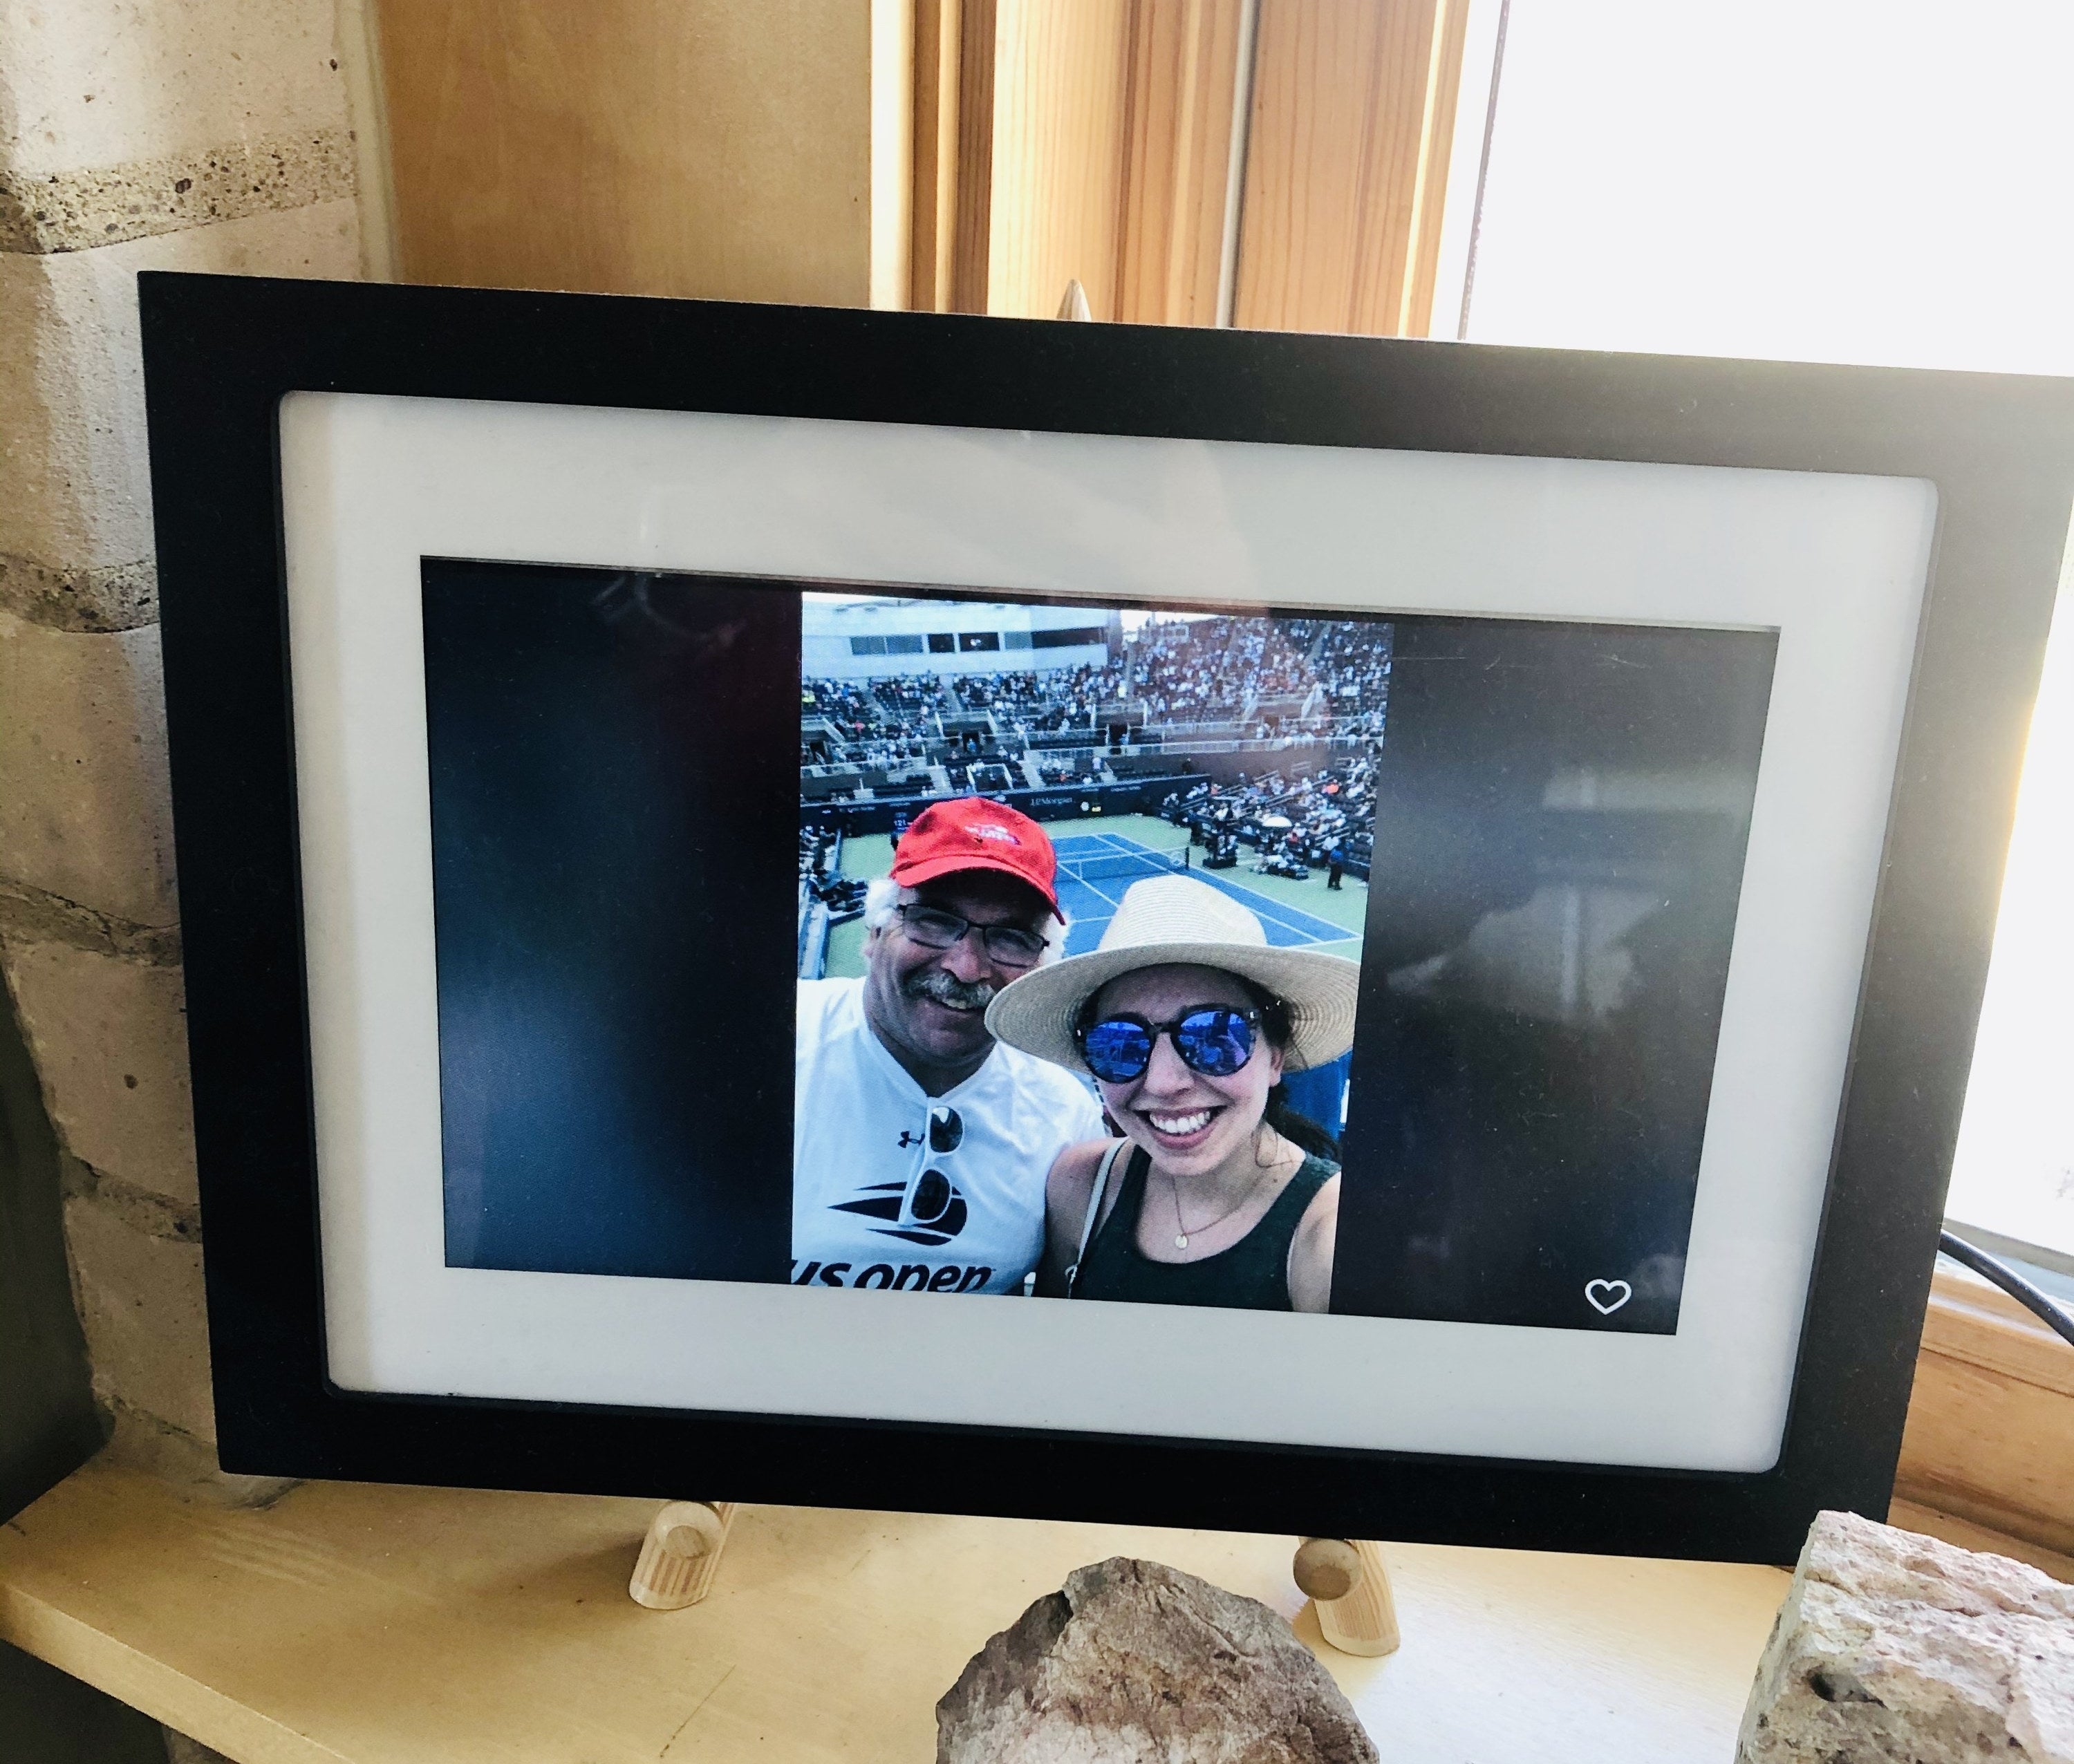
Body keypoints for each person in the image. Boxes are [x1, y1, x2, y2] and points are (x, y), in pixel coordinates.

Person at [984, 875, 1361, 1313]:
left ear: (1275, 1058)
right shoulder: (1081, 1187)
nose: (1164, 1083)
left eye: (1216, 1038)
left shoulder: (1331, 1239)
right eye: (1120, 1045)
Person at [793, 798, 1103, 1295]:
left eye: (1010, 939)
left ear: (1039, 967)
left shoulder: (1066, 1118)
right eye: (934, 921)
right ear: (874, 932)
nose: (966, 967)